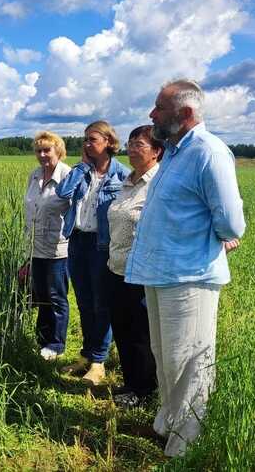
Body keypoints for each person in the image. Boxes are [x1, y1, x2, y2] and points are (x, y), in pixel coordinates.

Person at [125, 79, 245, 456]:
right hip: (162, 273)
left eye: (159, 108)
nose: (151, 114)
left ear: (186, 114)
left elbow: (230, 222)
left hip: (190, 277)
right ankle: (167, 426)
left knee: (190, 362)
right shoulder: (176, 152)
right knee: (166, 356)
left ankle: (186, 448)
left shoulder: (209, 152)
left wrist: (209, 240)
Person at [56, 120, 130, 386]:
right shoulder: (82, 172)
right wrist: (83, 167)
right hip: (77, 240)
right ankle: (87, 355)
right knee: (84, 302)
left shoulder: (122, 175)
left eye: (93, 140)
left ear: (109, 142)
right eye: (85, 139)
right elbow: (62, 192)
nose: (87, 144)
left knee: (101, 303)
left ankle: (99, 361)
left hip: (102, 245)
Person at [106, 125, 163, 408]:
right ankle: (131, 383)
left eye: (139, 143)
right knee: (123, 329)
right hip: (116, 268)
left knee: (141, 333)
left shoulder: (158, 184)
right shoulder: (127, 182)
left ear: (157, 151)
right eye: (129, 142)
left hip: (141, 272)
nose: (131, 147)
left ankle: (144, 391)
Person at [22, 131, 72, 361]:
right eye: (38, 150)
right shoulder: (34, 175)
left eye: (46, 150)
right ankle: (42, 340)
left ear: (58, 150)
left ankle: (56, 344)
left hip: (57, 247)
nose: (42, 155)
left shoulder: (67, 175)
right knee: (40, 295)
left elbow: (75, 213)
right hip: (35, 245)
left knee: (56, 296)